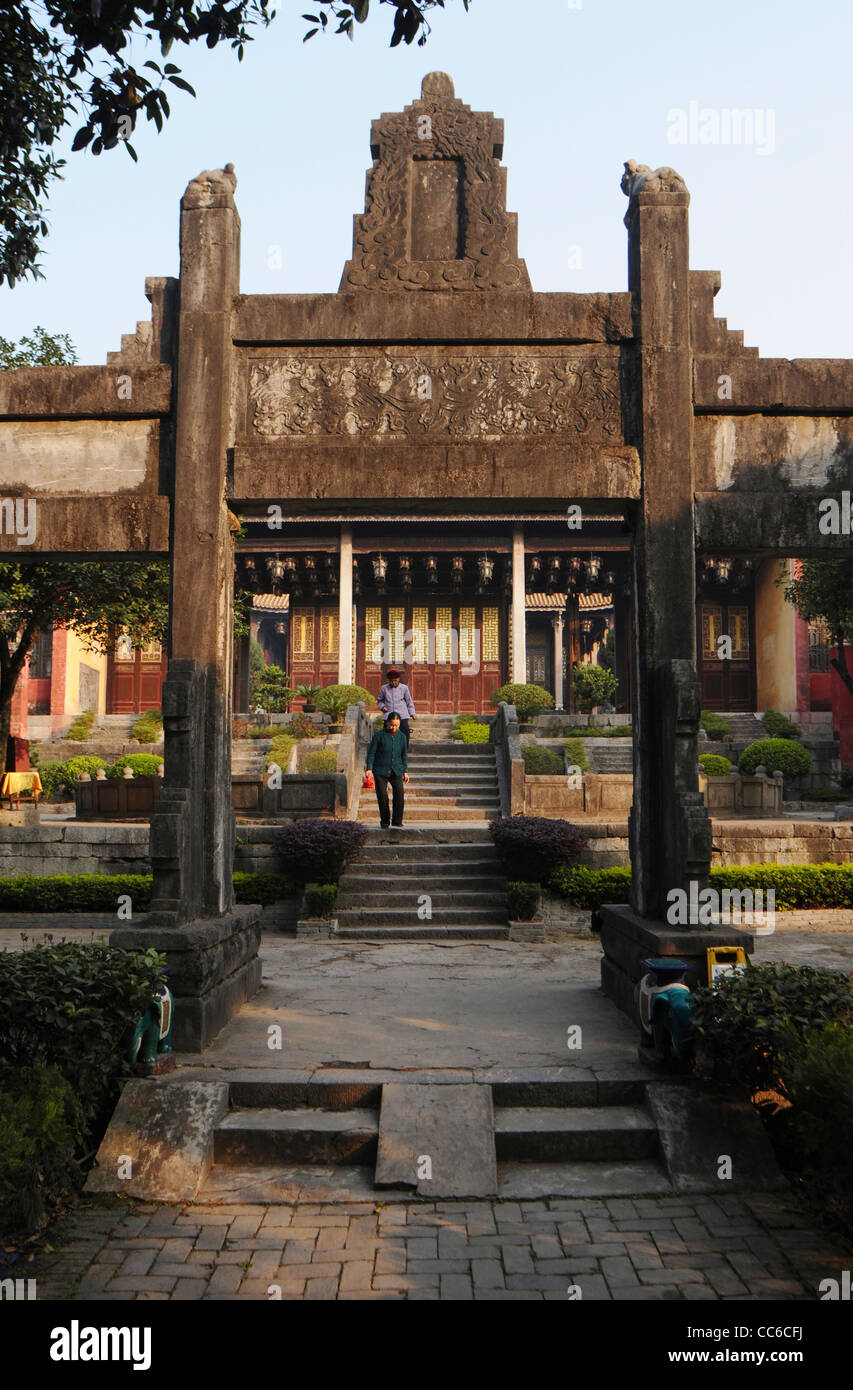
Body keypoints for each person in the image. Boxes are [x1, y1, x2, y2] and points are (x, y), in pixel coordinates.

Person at [365, 711, 409, 828]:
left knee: (399, 794)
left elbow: (404, 755)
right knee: (382, 796)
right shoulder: (379, 735)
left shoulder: (402, 737)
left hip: (396, 769)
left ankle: (397, 821)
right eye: (392, 725)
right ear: (387, 723)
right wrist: (369, 768)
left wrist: (405, 771)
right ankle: (385, 821)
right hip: (380, 770)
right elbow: (371, 753)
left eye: (396, 725)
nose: (394, 727)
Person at [377, 668, 416, 745]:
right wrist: (382, 707)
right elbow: (379, 701)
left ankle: (404, 750)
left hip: (402, 715)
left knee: (405, 733)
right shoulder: (384, 688)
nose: (393, 682)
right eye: (391, 681)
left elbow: (409, 701)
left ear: (398, 679)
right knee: (387, 735)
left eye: (395, 680)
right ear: (388, 680)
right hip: (389, 715)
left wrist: (412, 713)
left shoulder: (404, 688)